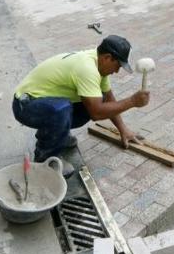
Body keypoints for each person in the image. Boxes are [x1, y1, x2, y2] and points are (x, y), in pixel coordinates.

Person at [12, 35, 147, 171]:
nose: (117, 71)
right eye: (118, 65)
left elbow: (108, 99)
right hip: (25, 106)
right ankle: (45, 158)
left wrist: (123, 130)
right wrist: (132, 101)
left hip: (42, 102)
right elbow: (96, 113)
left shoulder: (98, 64)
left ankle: (57, 134)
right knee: (62, 109)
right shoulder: (87, 68)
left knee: (94, 99)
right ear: (107, 58)